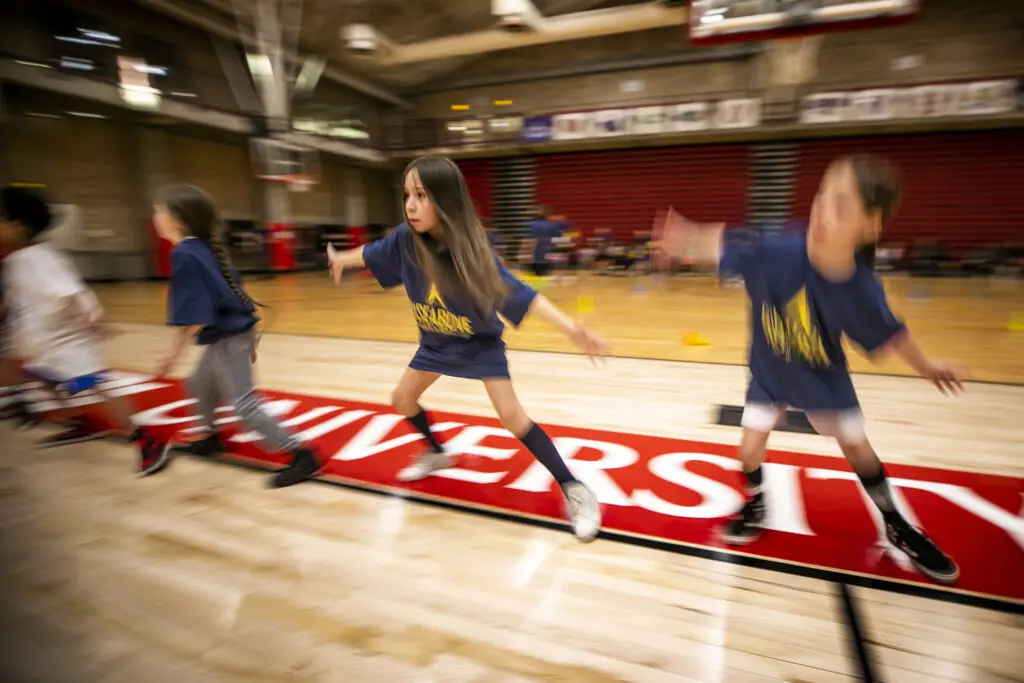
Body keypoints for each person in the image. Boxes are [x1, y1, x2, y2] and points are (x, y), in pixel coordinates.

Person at [661, 154, 964, 585]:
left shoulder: (860, 288)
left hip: (823, 377)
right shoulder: (777, 250)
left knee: (857, 447)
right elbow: (725, 242)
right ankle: (756, 502)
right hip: (769, 371)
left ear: (870, 226)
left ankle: (896, 523)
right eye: (822, 196)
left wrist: (929, 366)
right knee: (749, 448)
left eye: (841, 206)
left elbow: (892, 334)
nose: (822, 210)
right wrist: (686, 241)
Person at [326, 155, 609, 542]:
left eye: (422, 195)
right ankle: (438, 452)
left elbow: (521, 294)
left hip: (479, 344)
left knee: (512, 417)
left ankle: (575, 488)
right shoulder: (404, 241)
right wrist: (341, 258)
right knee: (402, 399)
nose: (410, 204)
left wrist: (572, 329)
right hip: (435, 342)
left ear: (445, 199)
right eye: (407, 194)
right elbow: (372, 252)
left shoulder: (471, 253)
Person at [152, 184, 321, 489]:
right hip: (231, 334)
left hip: (230, 338)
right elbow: (234, 294)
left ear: (176, 219)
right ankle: (210, 437)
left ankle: (302, 454)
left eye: (160, 210)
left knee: (244, 404)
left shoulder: (185, 254)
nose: (155, 215)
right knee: (200, 382)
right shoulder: (204, 247)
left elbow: (194, 316)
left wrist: (170, 354)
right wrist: (250, 335)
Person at [0, 185, 171, 473]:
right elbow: (16, 296)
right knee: (43, 378)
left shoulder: (40, 259)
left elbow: (73, 292)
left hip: (68, 343)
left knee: (93, 387)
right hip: (46, 345)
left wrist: (93, 323)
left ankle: (147, 439)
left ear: (19, 226)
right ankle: (82, 423)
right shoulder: (16, 259)